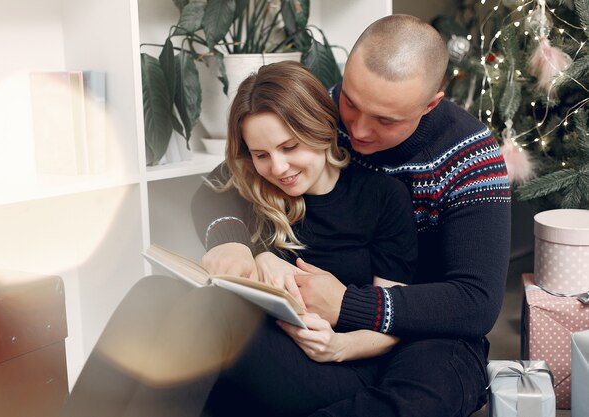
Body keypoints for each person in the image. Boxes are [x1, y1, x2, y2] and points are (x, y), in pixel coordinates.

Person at [191, 14, 512, 417]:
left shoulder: (470, 157)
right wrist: (238, 245)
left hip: (432, 332)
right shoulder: (322, 115)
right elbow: (225, 181)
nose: (357, 130)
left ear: (430, 104)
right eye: (350, 102)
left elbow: (475, 302)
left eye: (385, 119)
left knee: (421, 395)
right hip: (320, 329)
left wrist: (347, 305)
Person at [61, 60, 417, 417]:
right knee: (153, 293)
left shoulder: (383, 197)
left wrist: (339, 345)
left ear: (321, 130)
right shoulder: (257, 183)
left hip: (337, 363)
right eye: (262, 155)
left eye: (290, 147)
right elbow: (210, 192)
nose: (278, 168)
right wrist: (235, 245)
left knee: (216, 307)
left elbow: (395, 320)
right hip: (262, 347)